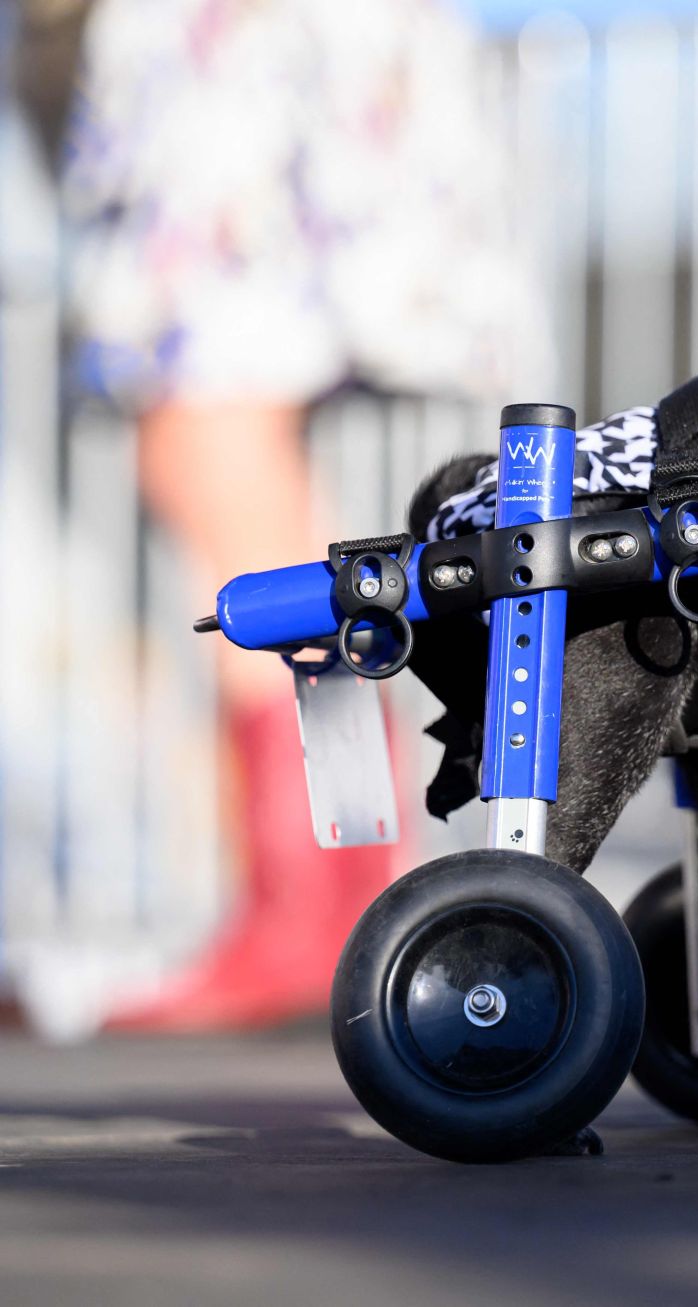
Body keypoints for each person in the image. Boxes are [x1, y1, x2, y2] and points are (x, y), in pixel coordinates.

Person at [60, 0, 537, 1028]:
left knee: (210, 435)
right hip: (264, 46)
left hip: (253, 46)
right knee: (238, 471)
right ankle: (332, 888)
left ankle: (317, 896)